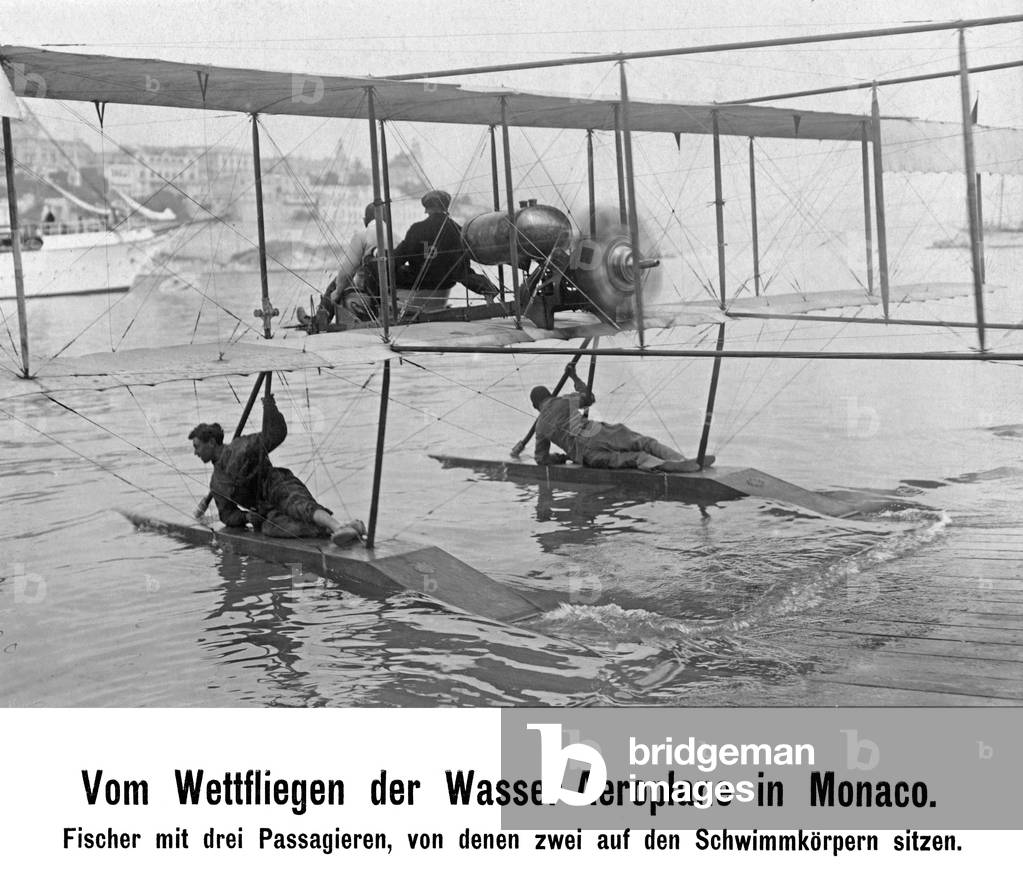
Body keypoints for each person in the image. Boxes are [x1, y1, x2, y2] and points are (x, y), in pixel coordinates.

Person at [189, 394, 365, 545]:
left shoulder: (240, 446)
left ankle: (337, 526)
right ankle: (345, 529)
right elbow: (227, 515)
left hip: (277, 483)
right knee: (271, 528)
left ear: (211, 443)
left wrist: (269, 406)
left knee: (297, 505)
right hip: (264, 507)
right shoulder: (217, 483)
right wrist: (247, 517)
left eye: (197, 447)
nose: (195, 453)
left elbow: (274, 434)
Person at [529, 365, 715, 473]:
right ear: (549, 395)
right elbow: (589, 398)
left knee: (636, 457)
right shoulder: (564, 401)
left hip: (586, 456)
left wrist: (561, 458)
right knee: (644, 443)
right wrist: (574, 377)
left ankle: (665, 465)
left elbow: (541, 459)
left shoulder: (540, 427)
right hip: (598, 434)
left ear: (536, 406)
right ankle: (680, 460)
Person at [300, 202, 384, 329]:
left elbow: (347, 272)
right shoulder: (395, 237)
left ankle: (319, 319)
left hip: (371, 292)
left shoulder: (362, 236)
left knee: (338, 280)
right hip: (387, 293)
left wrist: (337, 292)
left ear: (365, 220)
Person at [393, 189, 474, 311]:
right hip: (445, 285)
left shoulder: (417, 229)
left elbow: (398, 258)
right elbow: (463, 268)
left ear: (427, 209)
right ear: (446, 207)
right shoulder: (457, 230)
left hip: (420, 284)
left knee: (380, 267)